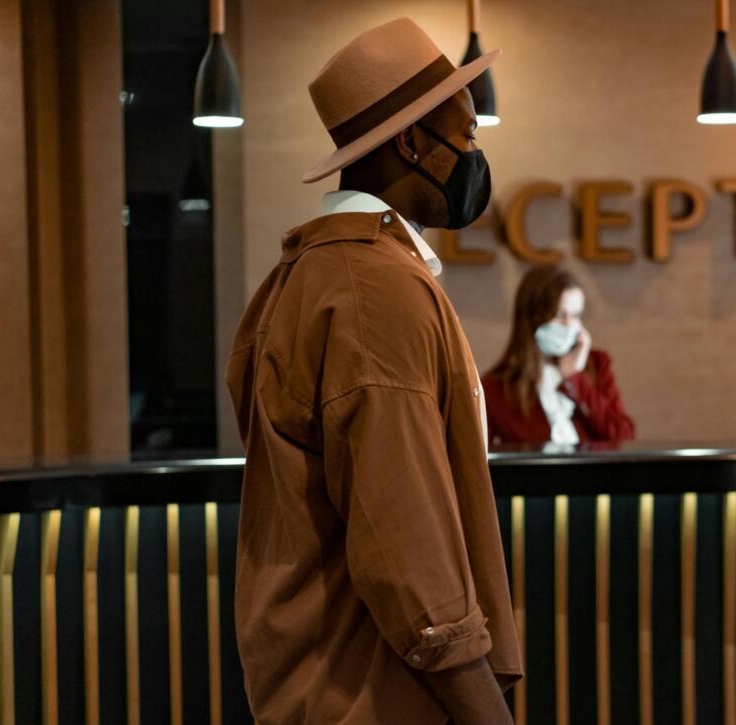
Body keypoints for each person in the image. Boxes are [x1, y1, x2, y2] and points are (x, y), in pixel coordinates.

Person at [224, 18, 520, 724]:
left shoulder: (310, 274)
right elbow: (407, 546)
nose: (476, 157)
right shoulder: (372, 290)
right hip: (372, 695)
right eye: (468, 135)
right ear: (412, 142)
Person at [483, 265, 635, 446]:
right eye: (561, 315)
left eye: (576, 315)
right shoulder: (496, 388)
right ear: (533, 317)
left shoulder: (597, 364)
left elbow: (623, 435)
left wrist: (575, 379)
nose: (570, 325)